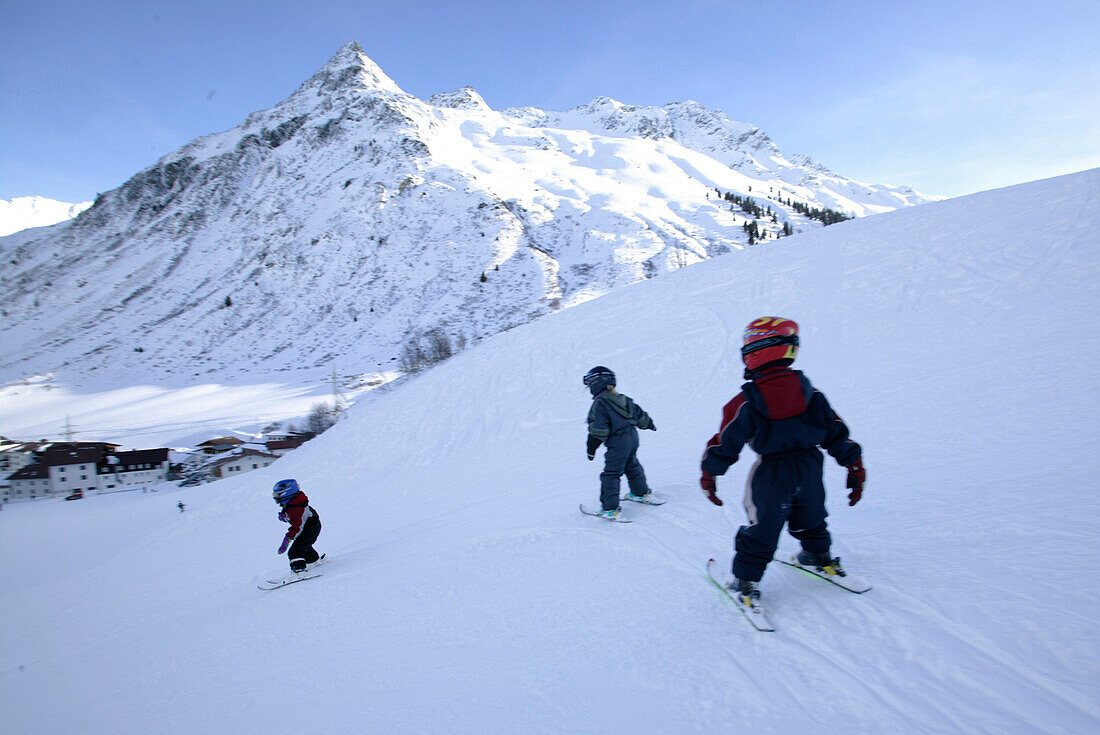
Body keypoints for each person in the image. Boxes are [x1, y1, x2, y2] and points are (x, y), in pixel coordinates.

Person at [699, 317, 865, 603]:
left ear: (754, 351)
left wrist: (710, 474)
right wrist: (854, 465)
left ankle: (745, 582)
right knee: (811, 513)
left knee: (763, 524)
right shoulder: (812, 395)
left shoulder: (746, 402)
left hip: (772, 471)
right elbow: (836, 432)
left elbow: (726, 442)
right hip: (810, 467)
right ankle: (817, 554)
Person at [584, 366, 661, 520]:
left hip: (617, 442)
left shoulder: (600, 405)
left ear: (595, 384)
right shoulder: (623, 399)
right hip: (632, 437)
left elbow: (599, 430)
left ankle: (609, 508)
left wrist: (591, 448)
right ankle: (640, 492)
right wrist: (649, 424)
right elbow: (640, 415)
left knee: (611, 473)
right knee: (632, 464)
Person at [272, 479, 323, 573]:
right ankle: (313, 561)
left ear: (285, 494)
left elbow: (297, 526)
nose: (275, 498)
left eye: (277, 495)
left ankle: (299, 571)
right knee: (303, 545)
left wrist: (287, 539)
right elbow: (298, 519)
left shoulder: (296, 508)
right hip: (309, 526)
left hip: (310, 528)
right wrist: (286, 517)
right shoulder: (293, 503)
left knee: (295, 551)